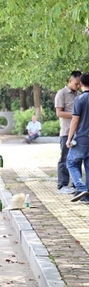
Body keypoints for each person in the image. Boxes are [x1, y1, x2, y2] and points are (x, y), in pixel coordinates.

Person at [55, 70, 82, 194]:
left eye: (79, 84)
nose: (78, 86)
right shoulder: (61, 94)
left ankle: (77, 185)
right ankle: (62, 184)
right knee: (65, 158)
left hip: (79, 132)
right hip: (66, 131)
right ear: (70, 81)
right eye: (76, 83)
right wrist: (75, 115)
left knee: (77, 159)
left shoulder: (79, 95)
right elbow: (59, 113)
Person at [66, 72, 89, 203]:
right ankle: (87, 197)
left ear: (80, 84)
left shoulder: (80, 99)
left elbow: (75, 120)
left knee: (71, 162)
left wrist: (69, 139)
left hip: (81, 138)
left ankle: (80, 188)